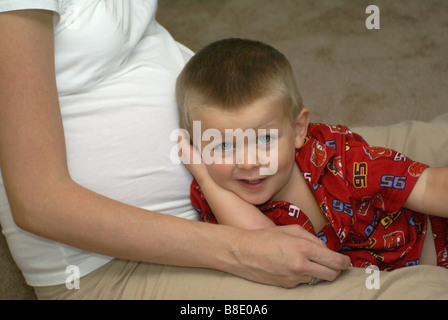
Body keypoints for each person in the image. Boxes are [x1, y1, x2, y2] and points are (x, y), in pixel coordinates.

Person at [0, 1, 354, 300]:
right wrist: (241, 250)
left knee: (400, 157)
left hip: (237, 173)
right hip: (116, 263)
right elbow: (38, 203)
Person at [176, 38, 448, 273]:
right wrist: (206, 177)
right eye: (224, 146)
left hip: (432, 246)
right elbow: (266, 245)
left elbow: (427, 186)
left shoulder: (337, 158)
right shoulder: (215, 196)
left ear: (297, 130)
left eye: (265, 139)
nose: (248, 162)